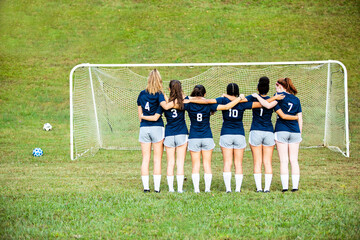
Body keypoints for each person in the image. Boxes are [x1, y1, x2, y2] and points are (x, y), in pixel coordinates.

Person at [198, 83, 284, 193]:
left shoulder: (223, 100)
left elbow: (207, 102)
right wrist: (274, 98)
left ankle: (228, 189)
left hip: (226, 134)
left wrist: (190, 100)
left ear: (227, 91)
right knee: (238, 163)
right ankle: (238, 189)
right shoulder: (242, 102)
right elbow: (262, 104)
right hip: (239, 134)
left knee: (227, 163)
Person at [185, 85, 244, 193]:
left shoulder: (189, 104)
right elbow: (226, 107)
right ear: (205, 94)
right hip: (207, 136)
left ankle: (197, 190)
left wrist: (191, 98)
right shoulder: (209, 104)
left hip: (194, 137)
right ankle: (207, 189)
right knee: (207, 164)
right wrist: (239, 98)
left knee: (195, 165)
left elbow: (182, 100)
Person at [246, 77, 299, 193]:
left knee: (257, 161)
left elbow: (242, 102)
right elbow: (268, 105)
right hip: (269, 132)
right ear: (269, 89)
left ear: (257, 88)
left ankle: (259, 188)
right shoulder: (273, 100)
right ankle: (267, 188)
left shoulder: (253, 97)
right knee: (267, 162)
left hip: (255, 131)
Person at [141, 80, 188, 193]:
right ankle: (180, 189)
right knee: (180, 163)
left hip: (169, 134)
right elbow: (189, 99)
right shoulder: (184, 102)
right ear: (180, 89)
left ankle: (171, 189)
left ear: (169, 89)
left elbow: (164, 107)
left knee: (170, 162)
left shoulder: (164, 104)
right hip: (182, 133)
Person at [137, 69, 174, 193]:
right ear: (160, 81)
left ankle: (146, 187)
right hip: (157, 127)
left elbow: (140, 116)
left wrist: (143, 117)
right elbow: (166, 106)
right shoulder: (159, 95)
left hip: (144, 128)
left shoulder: (141, 94)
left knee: (145, 158)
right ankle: (157, 188)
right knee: (157, 158)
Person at [271, 77, 303, 192]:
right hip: (295, 131)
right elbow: (300, 118)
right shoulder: (296, 99)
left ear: (281, 86)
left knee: (284, 160)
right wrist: (299, 133)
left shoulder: (278, 97)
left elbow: (274, 109)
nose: (275, 89)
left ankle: (285, 187)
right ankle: (295, 187)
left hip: (281, 131)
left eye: (276, 86)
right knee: (294, 160)